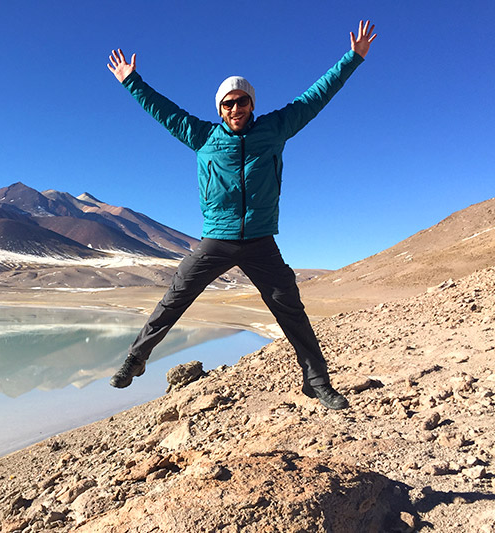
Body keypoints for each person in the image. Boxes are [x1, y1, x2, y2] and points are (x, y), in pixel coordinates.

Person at [106, 20, 377, 410]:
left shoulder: (275, 128)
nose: (235, 108)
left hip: (260, 242)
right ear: (220, 109)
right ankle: (135, 361)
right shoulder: (202, 137)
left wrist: (353, 58)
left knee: (290, 309)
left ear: (252, 104)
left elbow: (315, 97)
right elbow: (164, 112)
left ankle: (316, 382)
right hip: (217, 239)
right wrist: (132, 81)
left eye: (242, 101)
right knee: (175, 299)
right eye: (228, 103)